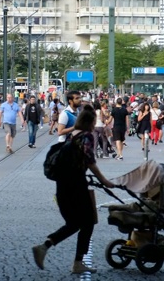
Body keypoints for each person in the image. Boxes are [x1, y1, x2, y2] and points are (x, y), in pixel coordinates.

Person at [32, 105, 115, 273]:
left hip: (63, 184)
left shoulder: (72, 136)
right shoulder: (86, 137)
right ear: (90, 122)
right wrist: (105, 181)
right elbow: (90, 161)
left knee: (75, 223)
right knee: (87, 222)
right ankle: (75, 261)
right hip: (76, 186)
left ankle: (46, 247)